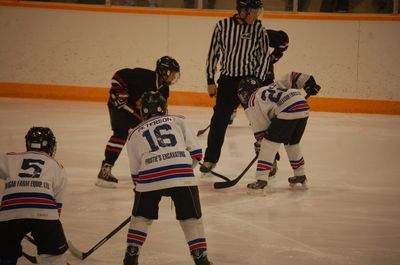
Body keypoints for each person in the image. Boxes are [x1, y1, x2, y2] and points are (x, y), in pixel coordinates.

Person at [123, 91, 213, 265]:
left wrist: (143, 193)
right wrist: (181, 169)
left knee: (141, 218)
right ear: (164, 108)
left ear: (143, 111)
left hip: (149, 177)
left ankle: (131, 256)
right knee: (191, 219)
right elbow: (196, 154)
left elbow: (135, 173)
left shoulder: (133, 133)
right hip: (182, 175)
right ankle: (201, 258)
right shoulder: (179, 120)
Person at [201, 0, 288, 174]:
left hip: (250, 81)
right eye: (253, 12)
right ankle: (210, 159)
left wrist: (258, 82)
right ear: (242, 11)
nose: (256, 16)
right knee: (219, 121)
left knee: (261, 123)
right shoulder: (222, 26)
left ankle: (270, 160)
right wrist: (210, 80)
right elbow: (213, 53)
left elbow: (263, 58)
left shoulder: (258, 29)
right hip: (227, 81)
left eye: (258, 12)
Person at [96, 56, 180, 188]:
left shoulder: (164, 90)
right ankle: (105, 170)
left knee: (147, 136)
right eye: (172, 74)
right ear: (164, 72)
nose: (173, 78)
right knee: (121, 133)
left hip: (135, 112)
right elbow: (118, 76)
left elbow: (160, 112)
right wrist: (120, 94)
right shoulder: (144, 76)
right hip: (119, 107)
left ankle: (150, 168)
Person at [236, 72, 321, 192]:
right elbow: (292, 76)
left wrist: (264, 145)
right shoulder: (271, 86)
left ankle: (261, 179)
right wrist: (309, 82)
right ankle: (300, 174)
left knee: (268, 144)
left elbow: (262, 134)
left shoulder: (252, 102)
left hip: (288, 109)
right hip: (302, 106)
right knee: (292, 143)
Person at [0, 127, 69, 265]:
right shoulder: (57, 167)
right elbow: (56, 210)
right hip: (44, 213)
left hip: (9, 212)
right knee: (55, 258)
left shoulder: (10, 158)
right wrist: (44, 234)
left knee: (4, 253)